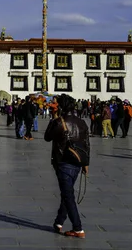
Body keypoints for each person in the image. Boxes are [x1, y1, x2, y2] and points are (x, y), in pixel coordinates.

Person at [44, 95, 90, 239]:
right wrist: (86, 163)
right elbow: (87, 144)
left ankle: (78, 228)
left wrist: (53, 119)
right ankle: (59, 222)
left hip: (63, 162)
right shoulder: (82, 122)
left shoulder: (59, 122)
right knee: (67, 192)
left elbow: (47, 137)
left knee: (68, 195)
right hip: (77, 161)